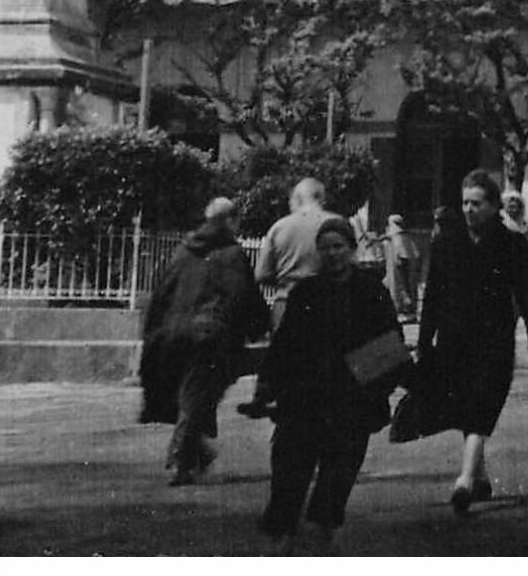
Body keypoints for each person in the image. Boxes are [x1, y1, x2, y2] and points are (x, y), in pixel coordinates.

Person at [244, 217, 404, 555]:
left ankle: (321, 545)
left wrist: (387, 384)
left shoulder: (371, 291)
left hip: (352, 401)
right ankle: (283, 545)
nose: (332, 254)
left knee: (337, 478)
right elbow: (284, 345)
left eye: (338, 247)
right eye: (325, 248)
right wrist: (267, 386)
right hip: (305, 399)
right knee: (289, 472)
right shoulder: (307, 291)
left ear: (351, 249)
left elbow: (391, 343)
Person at [417, 169, 528, 516]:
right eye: (465, 203)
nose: (469, 210)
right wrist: (423, 340)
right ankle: (480, 476)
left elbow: (526, 294)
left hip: (495, 340)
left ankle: (463, 481)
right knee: (467, 407)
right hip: (454, 340)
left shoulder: (511, 244)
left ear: (493, 206)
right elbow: (432, 294)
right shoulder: (446, 242)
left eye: (476, 203)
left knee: (482, 407)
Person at [139, 198, 270, 486]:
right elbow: (241, 294)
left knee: (191, 395)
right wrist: (259, 326)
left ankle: (194, 454)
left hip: (172, 333)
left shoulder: (182, 251)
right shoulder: (232, 254)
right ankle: (180, 457)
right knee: (198, 396)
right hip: (209, 335)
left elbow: (161, 293)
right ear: (231, 221)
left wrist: (153, 332)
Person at [254, 179, 336, 328]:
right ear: (321, 198)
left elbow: (261, 274)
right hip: (328, 303)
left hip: (286, 304)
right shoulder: (337, 224)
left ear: (297, 199)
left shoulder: (279, 227)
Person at [383, 214, 419, 316]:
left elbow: (402, 260)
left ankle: (406, 309)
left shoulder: (399, 238)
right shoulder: (401, 237)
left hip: (400, 273)